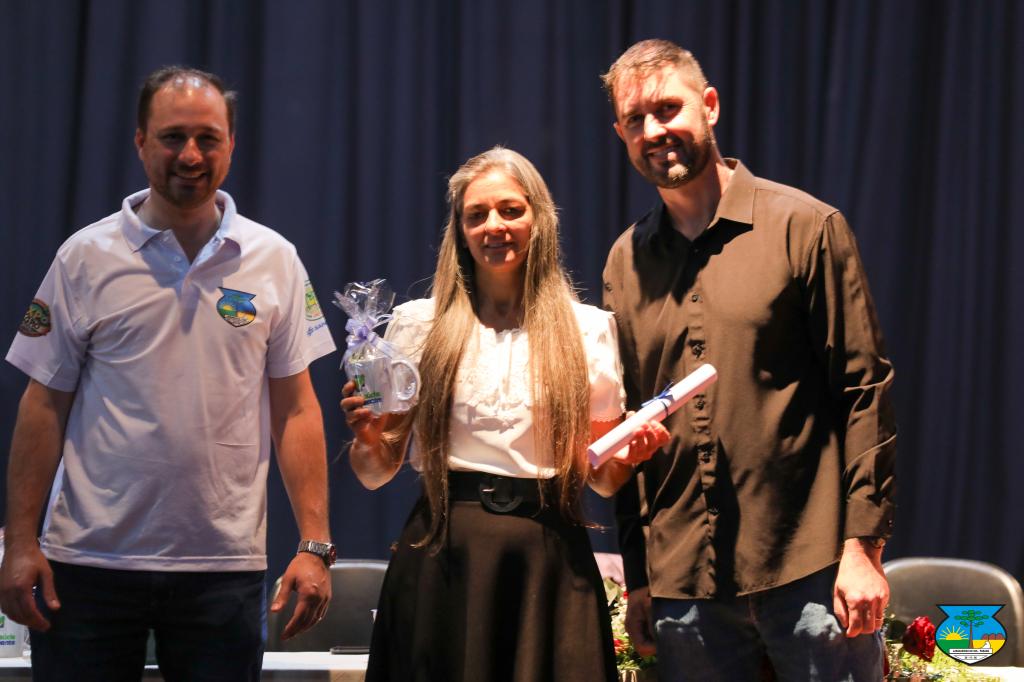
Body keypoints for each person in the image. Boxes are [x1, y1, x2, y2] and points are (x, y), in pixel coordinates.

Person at [0, 66, 337, 680]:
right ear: (140, 142)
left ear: (231, 145)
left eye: (208, 138)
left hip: (223, 570)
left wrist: (314, 545)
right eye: (172, 137)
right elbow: (42, 405)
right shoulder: (84, 257)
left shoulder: (274, 259)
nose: (190, 155)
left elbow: (296, 409)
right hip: (88, 566)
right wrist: (20, 543)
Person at [599, 40, 897, 681]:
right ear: (621, 134)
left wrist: (863, 548)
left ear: (709, 106)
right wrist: (640, 576)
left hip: (812, 571)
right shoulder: (624, 262)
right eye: (635, 120)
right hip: (686, 590)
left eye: (668, 108)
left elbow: (863, 391)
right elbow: (630, 428)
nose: (654, 131)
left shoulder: (806, 227)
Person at [341, 146, 670, 682]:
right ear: (460, 229)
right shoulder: (419, 326)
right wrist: (367, 439)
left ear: (539, 219)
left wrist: (629, 456)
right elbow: (375, 472)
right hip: (444, 556)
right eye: (477, 214)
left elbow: (603, 479)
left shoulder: (586, 331)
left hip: (546, 560)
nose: (494, 225)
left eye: (510, 210)